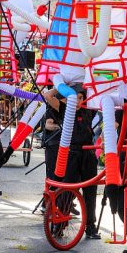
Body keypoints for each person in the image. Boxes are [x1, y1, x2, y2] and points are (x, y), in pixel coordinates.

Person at [45, 86, 101, 240]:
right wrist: (62, 84)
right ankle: (59, 224)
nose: (77, 101)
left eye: (80, 98)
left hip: (88, 154)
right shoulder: (65, 108)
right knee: (66, 190)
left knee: (90, 191)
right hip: (71, 154)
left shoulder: (89, 109)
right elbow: (48, 96)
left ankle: (90, 226)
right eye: (74, 97)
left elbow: (99, 94)